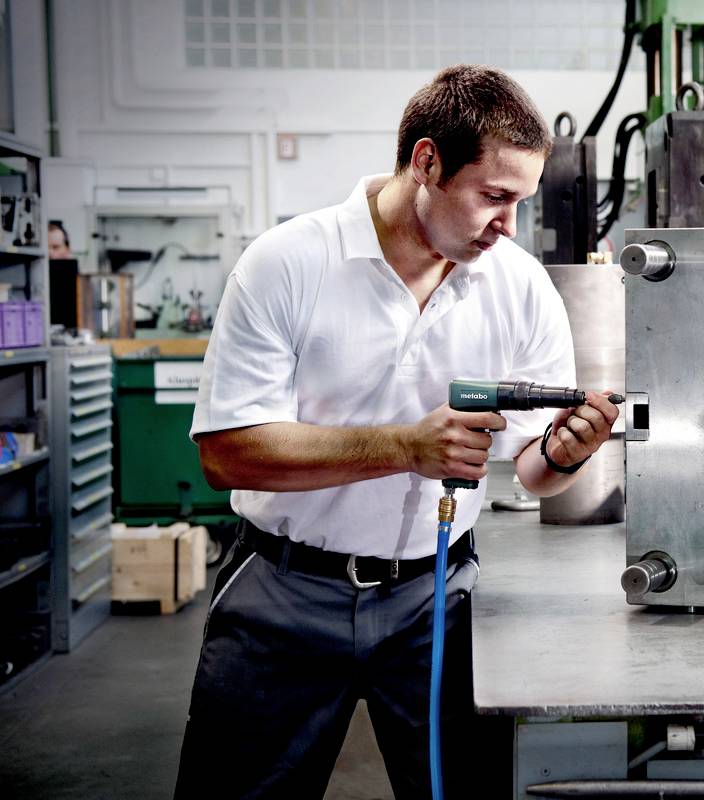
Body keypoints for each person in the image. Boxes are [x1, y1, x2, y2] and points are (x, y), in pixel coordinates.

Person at [175, 64, 619, 798]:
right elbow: (227, 453)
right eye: (494, 197)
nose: (509, 225)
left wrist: (565, 454)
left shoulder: (519, 285)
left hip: (435, 601)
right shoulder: (288, 264)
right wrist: (406, 448)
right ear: (426, 163)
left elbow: (533, 471)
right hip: (284, 597)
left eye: (521, 202)